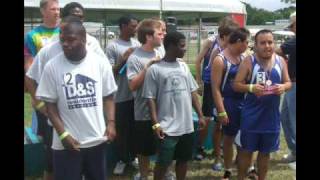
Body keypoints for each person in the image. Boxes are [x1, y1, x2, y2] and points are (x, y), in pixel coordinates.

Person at [35, 19, 117, 180]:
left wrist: (111, 123)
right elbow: (50, 106)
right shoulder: (52, 66)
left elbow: (108, 96)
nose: (65, 44)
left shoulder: (100, 63)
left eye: (71, 39)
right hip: (66, 144)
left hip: (96, 139)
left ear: (84, 40)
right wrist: (63, 135)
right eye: (62, 40)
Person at [142, 31, 206, 180]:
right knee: (163, 163)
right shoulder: (155, 69)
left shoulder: (183, 67)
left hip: (186, 126)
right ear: (171, 46)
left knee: (183, 161)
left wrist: (201, 115)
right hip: (167, 127)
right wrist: (155, 124)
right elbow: (149, 98)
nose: (185, 49)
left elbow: (192, 92)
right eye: (182, 46)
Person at [233, 29, 292, 180]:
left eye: (270, 42)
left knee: (265, 154)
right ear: (256, 45)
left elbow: (288, 82)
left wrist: (283, 87)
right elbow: (236, 85)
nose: (267, 46)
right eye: (263, 43)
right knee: (246, 152)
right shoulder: (249, 61)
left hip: (271, 117)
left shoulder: (280, 60)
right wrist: (251, 88)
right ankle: (241, 177)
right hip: (251, 116)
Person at [194, 16, 239, 165]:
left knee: (221, 121)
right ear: (223, 35)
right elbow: (198, 60)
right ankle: (199, 147)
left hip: (225, 88)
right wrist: (199, 81)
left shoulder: (235, 48)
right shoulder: (212, 43)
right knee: (207, 119)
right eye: (231, 37)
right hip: (210, 85)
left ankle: (217, 150)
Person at [24, 1, 60, 179]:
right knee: (49, 141)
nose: (57, 12)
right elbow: (29, 68)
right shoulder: (33, 36)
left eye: (58, 9)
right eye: (53, 9)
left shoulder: (65, 32)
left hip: (65, 95)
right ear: (43, 11)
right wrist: (36, 98)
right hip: (44, 97)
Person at [126, 18, 163, 180]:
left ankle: (164, 173)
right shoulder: (135, 58)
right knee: (144, 149)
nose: (163, 36)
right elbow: (132, 85)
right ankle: (143, 175)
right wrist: (148, 66)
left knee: (164, 146)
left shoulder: (160, 53)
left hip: (163, 111)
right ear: (148, 37)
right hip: (143, 112)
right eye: (159, 33)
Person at [211, 27, 250, 179]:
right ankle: (227, 169)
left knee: (244, 137)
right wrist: (221, 110)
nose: (249, 45)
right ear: (239, 41)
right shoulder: (220, 60)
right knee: (228, 137)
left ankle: (245, 166)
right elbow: (215, 88)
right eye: (247, 42)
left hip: (244, 102)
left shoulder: (244, 57)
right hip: (229, 102)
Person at [105, 14, 140, 175]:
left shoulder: (137, 44)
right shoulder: (112, 46)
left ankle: (133, 157)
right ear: (123, 26)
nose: (136, 28)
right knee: (121, 130)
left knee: (134, 129)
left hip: (135, 97)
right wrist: (124, 59)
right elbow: (109, 73)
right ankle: (121, 159)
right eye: (133, 26)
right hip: (119, 97)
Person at [276, 12, 296, 170]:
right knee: (285, 118)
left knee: (293, 120)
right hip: (292, 85)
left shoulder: (294, 41)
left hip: (295, 86)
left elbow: (278, 50)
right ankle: (294, 151)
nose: (292, 29)